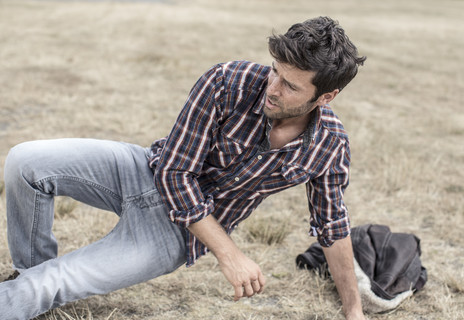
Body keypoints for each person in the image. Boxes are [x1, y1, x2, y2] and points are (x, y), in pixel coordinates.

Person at [0, 16, 366, 319]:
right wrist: (230, 254)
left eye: (290, 86)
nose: (273, 87)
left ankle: (30, 291)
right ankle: (30, 271)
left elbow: (332, 227)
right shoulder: (227, 81)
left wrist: (354, 312)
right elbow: (174, 173)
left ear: (326, 97)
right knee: (25, 161)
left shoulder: (329, 146)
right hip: (143, 170)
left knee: (45, 286)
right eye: (274, 71)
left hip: (176, 235)